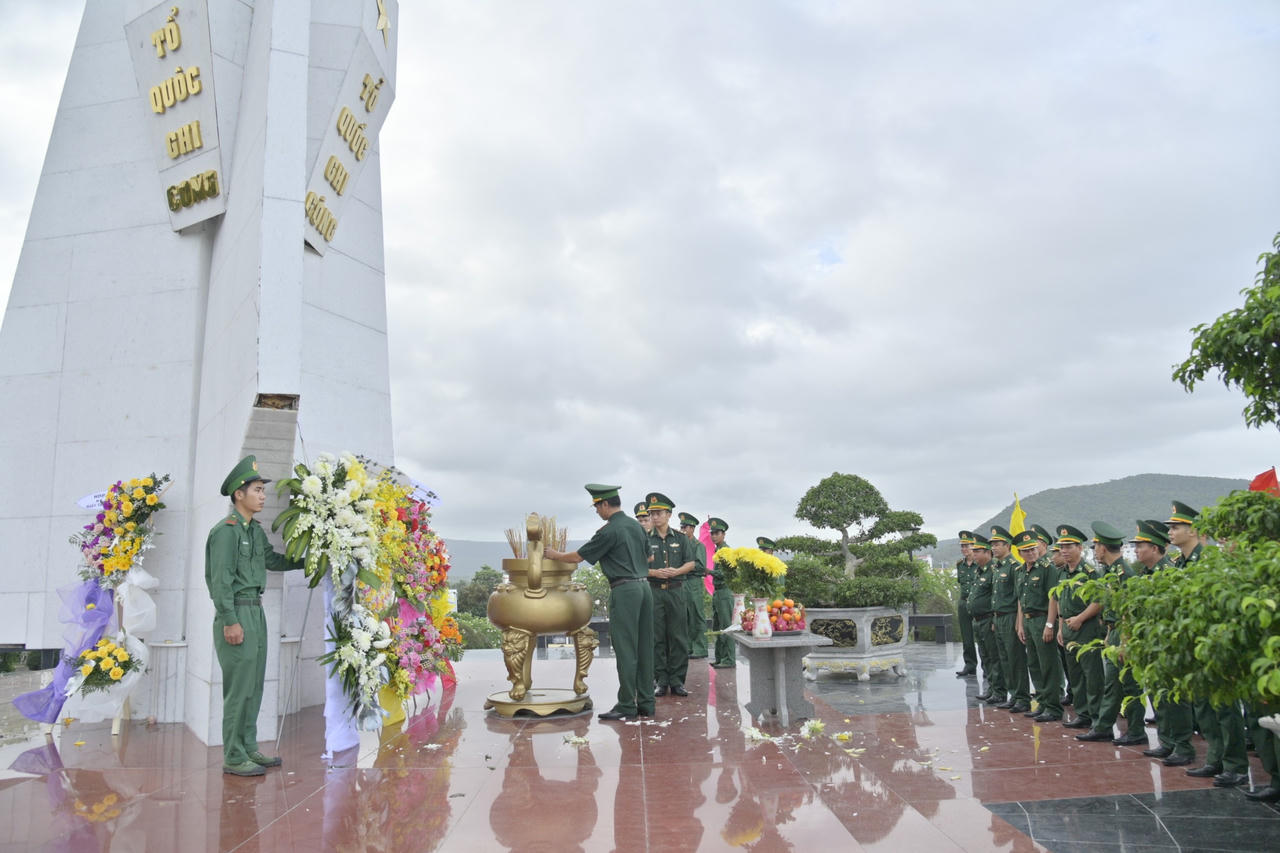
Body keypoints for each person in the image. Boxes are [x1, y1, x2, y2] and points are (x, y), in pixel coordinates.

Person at [205, 455, 303, 777]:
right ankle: (233, 756)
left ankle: (248, 747)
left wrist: (310, 561)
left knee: (254, 686)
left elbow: (272, 561)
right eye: (258, 490)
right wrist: (230, 621)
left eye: (262, 490)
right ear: (239, 494)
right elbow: (220, 582)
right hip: (236, 614)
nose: (262, 496)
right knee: (238, 689)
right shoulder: (226, 532)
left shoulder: (252, 531)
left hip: (256, 613)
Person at [545, 484, 654, 721]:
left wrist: (553, 555)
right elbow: (650, 556)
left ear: (605, 504)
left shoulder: (609, 530)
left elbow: (578, 557)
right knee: (645, 646)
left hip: (625, 590)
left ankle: (626, 704)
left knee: (626, 649)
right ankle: (646, 702)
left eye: (597, 506)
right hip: (645, 587)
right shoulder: (636, 526)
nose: (596, 511)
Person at [1167, 501, 1250, 787]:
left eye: (1177, 527)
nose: (1171, 532)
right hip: (1193, 644)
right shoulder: (1182, 564)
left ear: (1194, 531)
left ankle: (1236, 765)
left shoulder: (1211, 560)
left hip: (1215, 644)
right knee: (1203, 707)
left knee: (1225, 708)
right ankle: (1215, 759)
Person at [1127, 519, 1197, 766]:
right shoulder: (1144, 574)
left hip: (1167, 644)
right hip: (1150, 644)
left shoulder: (1168, 572)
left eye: (1140, 546)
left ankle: (1183, 746)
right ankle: (1167, 742)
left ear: (1155, 548)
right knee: (1159, 696)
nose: (1136, 550)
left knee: (1174, 698)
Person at [1076, 522, 1147, 745]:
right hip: (1115, 632)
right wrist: (1109, 633)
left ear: (1103, 548)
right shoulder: (1110, 572)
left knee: (1130, 684)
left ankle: (1136, 730)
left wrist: (1125, 641)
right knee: (1112, 684)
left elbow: (1127, 610)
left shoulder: (1124, 572)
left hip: (1125, 634)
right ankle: (1104, 727)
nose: (1094, 551)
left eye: (1095, 546)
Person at [1049, 524, 1103, 731]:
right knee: (1076, 675)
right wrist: (1061, 628)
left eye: (1069, 546)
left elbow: (1099, 601)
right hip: (1068, 628)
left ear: (1080, 548)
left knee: (1092, 675)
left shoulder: (1089, 572)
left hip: (1087, 627)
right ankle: (1083, 713)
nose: (1064, 551)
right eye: (1061, 547)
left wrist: (1080, 618)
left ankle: (1097, 717)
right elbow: (1060, 602)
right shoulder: (1062, 574)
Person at [644, 492, 697, 697]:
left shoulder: (681, 538)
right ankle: (661, 680)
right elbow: (638, 566)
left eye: (658, 513)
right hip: (654, 591)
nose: (654, 517)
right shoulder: (645, 539)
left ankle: (677, 681)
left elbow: (691, 563)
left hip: (676, 591)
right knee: (657, 637)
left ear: (668, 514)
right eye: (652, 513)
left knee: (678, 637)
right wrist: (654, 572)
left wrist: (677, 571)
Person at [1013, 529, 1063, 722]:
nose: (1031, 553)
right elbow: (1020, 599)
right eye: (1026, 551)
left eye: (1033, 549)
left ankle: (1053, 706)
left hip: (1043, 618)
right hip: (1028, 619)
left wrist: (1050, 624)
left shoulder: (1047, 568)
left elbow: (1053, 597)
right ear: (1020, 553)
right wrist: (1020, 624)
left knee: (1048, 664)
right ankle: (1042, 702)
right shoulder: (1020, 571)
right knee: (1034, 663)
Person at [990, 525, 1030, 713]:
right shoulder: (997, 567)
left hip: (1011, 616)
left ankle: (1022, 697)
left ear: (1007, 546)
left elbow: (1019, 596)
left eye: (997, 544)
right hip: (998, 618)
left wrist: (1018, 622)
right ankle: (1013, 694)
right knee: (1005, 659)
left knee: (1016, 658)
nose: (994, 548)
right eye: (992, 545)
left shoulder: (1015, 567)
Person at [967, 533, 1003, 703]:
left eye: (977, 551)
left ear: (987, 552)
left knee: (994, 656)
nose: (973, 554)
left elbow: (996, 596)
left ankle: (999, 691)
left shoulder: (994, 570)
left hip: (989, 619)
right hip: (977, 620)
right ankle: (992, 688)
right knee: (985, 656)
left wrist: (995, 618)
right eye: (973, 551)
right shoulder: (978, 571)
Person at [680, 512, 710, 660]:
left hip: (694, 582)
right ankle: (689, 646)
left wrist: (685, 566)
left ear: (692, 528)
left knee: (697, 615)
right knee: (685, 615)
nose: (683, 530)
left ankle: (700, 647)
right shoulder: (682, 545)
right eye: (682, 527)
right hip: (683, 582)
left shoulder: (698, 546)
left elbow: (700, 566)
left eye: (685, 527)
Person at [708, 518, 735, 669]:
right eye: (712, 533)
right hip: (717, 592)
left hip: (725, 592)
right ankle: (719, 658)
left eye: (717, 533)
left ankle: (729, 659)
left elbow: (725, 574)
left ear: (723, 534)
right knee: (717, 627)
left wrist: (709, 571)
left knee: (726, 626)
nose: (714, 536)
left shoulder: (726, 551)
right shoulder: (718, 550)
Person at [954, 531, 978, 678]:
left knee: (982, 637)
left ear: (973, 546)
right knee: (966, 637)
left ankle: (988, 670)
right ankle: (970, 665)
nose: (964, 549)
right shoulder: (960, 565)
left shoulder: (980, 564)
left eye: (966, 546)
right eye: (962, 546)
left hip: (977, 603)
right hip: (963, 602)